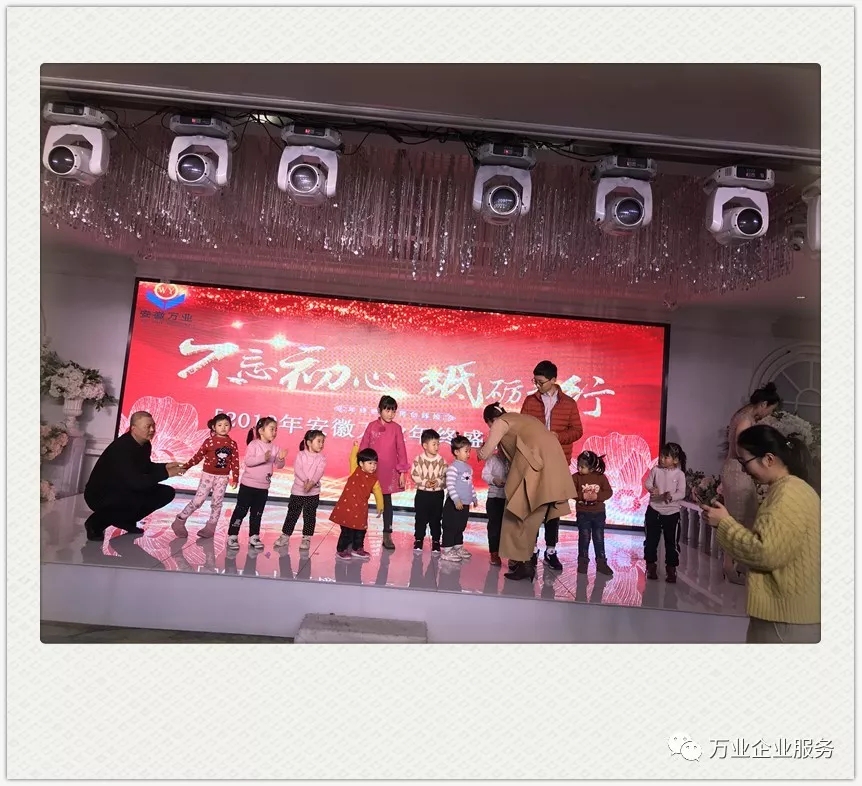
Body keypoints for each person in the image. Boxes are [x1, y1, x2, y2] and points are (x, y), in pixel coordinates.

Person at [703, 425, 820, 643]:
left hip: (784, 620)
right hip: (787, 616)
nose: (744, 470)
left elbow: (765, 552)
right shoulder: (790, 489)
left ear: (768, 459)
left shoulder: (787, 494)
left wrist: (725, 524)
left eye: (744, 462)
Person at [477, 403, 577, 582]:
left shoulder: (501, 422)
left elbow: (485, 453)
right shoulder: (524, 419)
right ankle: (526, 563)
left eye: (489, 425)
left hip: (533, 468)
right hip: (553, 466)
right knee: (532, 517)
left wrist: (478, 451)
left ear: (490, 420)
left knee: (517, 515)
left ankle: (524, 563)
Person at [520, 360, 584, 571]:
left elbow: (577, 431)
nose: (538, 386)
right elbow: (521, 428)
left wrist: (558, 437)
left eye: (541, 382)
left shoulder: (569, 403)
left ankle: (550, 550)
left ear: (554, 380)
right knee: (532, 508)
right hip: (534, 462)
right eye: (535, 382)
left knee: (553, 509)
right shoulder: (530, 401)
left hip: (558, 462)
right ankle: (530, 551)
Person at [83, 411, 184, 541]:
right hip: (101, 495)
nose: (152, 430)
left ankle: (125, 520)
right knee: (135, 495)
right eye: (147, 427)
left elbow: (145, 467)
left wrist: (165, 467)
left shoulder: (145, 444)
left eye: (153, 426)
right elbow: (135, 482)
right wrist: (165, 474)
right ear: (133, 429)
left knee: (165, 492)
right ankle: (95, 523)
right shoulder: (122, 448)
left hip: (122, 489)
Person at [720, 381, 781, 583]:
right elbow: (740, 449)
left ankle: (738, 566)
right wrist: (757, 461)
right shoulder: (746, 419)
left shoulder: (741, 414)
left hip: (736, 470)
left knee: (746, 519)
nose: (769, 414)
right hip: (738, 471)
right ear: (763, 404)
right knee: (739, 521)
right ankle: (730, 568)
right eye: (770, 410)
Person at [171, 413, 240, 539]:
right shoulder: (209, 442)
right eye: (220, 425)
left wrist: (235, 478)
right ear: (214, 427)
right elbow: (198, 456)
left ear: (230, 427)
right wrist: (186, 466)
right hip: (207, 476)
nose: (223, 427)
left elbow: (235, 462)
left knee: (217, 503)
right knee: (198, 501)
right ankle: (180, 520)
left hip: (223, 478)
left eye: (226, 425)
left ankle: (210, 528)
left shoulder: (232, 444)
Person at [359, 395, 410, 551]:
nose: (390, 414)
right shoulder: (371, 426)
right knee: (361, 501)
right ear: (379, 410)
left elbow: (401, 450)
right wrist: (362, 466)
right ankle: (357, 533)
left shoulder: (396, 428)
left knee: (387, 503)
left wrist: (402, 472)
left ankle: (387, 534)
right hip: (370, 471)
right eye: (387, 410)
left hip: (389, 472)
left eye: (393, 411)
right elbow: (363, 447)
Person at [226, 417, 286, 551]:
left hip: (263, 487)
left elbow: (279, 465)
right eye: (271, 429)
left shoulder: (275, 447)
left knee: (257, 513)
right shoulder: (254, 445)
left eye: (276, 429)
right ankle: (233, 535)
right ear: (261, 431)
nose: (274, 432)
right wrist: (263, 458)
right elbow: (248, 462)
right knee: (241, 511)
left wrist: (281, 459)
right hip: (248, 486)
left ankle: (254, 536)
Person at [330, 444, 384, 561]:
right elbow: (352, 458)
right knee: (347, 531)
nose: (373, 466)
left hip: (360, 510)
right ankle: (341, 550)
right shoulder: (355, 470)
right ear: (361, 463)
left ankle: (357, 548)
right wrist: (355, 447)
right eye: (370, 463)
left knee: (361, 530)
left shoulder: (374, 479)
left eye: (375, 463)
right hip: (347, 508)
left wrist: (380, 507)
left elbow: (378, 492)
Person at [643, 442, 687, 583]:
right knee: (651, 541)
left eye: (666, 457)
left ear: (675, 460)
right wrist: (652, 489)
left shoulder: (680, 474)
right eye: (661, 456)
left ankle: (671, 569)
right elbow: (647, 483)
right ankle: (650, 566)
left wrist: (670, 496)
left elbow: (682, 493)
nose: (662, 459)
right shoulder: (656, 470)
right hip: (654, 510)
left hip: (672, 513)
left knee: (671, 543)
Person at [275, 429, 327, 550]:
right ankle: (285, 536)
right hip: (298, 492)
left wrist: (312, 483)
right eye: (318, 441)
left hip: (313, 493)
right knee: (292, 514)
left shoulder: (321, 458)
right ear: (309, 442)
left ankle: (306, 538)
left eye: (322, 442)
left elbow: (319, 471)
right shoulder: (301, 455)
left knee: (309, 516)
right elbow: (298, 469)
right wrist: (305, 481)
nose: (321, 444)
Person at [572, 450, 615, 576]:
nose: (579, 468)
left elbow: (609, 492)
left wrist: (597, 496)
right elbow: (569, 491)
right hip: (583, 513)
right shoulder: (576, 477)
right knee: (584, 537)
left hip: (598, 513)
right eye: (578, 465)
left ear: (591, 468)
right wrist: (582, 496)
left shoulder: (600, 477)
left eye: (582, 467)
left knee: (599, 538)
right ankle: (582, 563)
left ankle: (601, 563)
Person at [441, 433, 478, 563]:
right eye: (466, 451)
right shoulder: (453, 468)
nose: (468, 454)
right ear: (456, 452)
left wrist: (474, 497)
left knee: (460, 526)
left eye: (469, 451)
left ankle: (457, 547)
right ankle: (447, 550)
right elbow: (450, 485)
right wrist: (456, 500)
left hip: (465, 504)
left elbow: (469, 484)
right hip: (454, 504)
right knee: (450, 526)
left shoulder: (468, 468)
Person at [410, 428, 447, 554]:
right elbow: (414, 475)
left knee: (436, 518)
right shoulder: (418, 459)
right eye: (434, 444)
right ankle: (418, 540)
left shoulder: (442, 461)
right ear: (425, 445)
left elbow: (445, 477)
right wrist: (425, 482)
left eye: (438, 444)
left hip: (437, 494)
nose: (437, 447)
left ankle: (436, 541)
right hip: (422, 494)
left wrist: (437, 482)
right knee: (420, 518)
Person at [481, 444, 510, 566]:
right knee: (494, 526)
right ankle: (494, 553)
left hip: (509, 498)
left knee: (508, 527)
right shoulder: (492, 459)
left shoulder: (512, 459)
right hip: (494, 497)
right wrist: (494, 480)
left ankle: (510, 554)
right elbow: (485, 474)